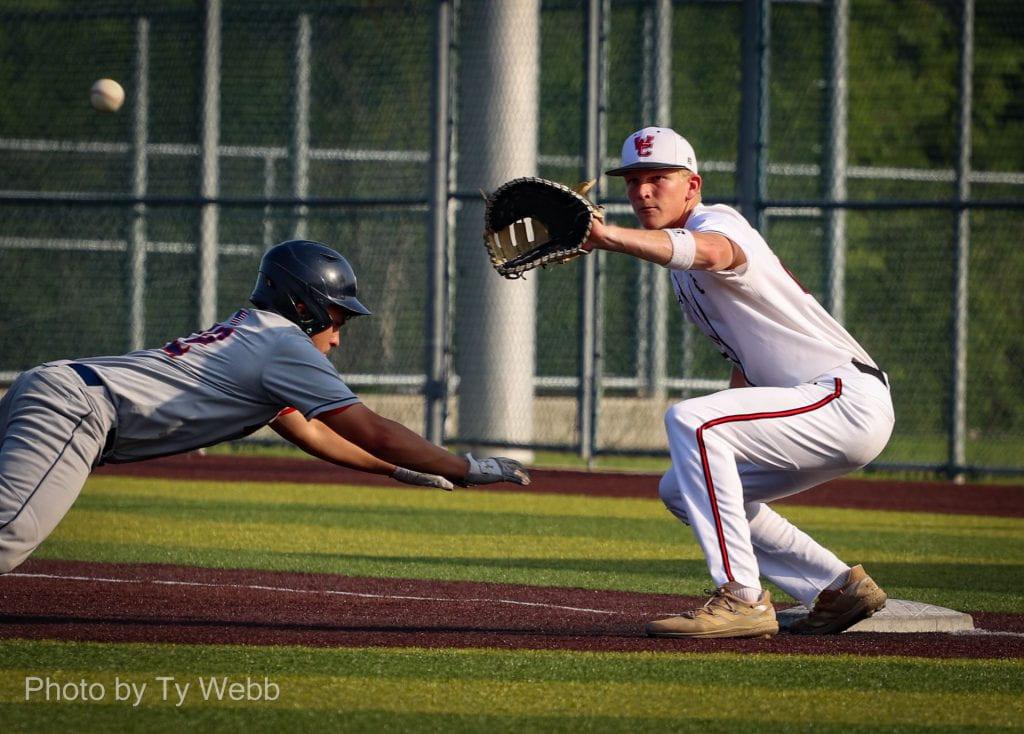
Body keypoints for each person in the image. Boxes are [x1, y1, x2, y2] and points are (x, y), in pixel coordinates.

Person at [0, 239, 530, 574]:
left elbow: (312, 434)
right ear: (305, 307)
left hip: (59, 391)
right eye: (337, 320)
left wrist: (396, 470)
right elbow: (372, 428)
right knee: (9, 539)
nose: (338, 338)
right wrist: (465, 466)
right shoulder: (284, 345)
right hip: (79, 411)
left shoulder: (255, 334)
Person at [586, 127, 894, 638]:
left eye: (657, 178)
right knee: (682, 487)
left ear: (692, 184)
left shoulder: (717, 220)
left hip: (842, 398)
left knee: (691, 420)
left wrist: (607, 237)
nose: (642, 191)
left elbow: (709, 251)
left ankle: (742, 598)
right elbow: (747, 363)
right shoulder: (679, 266)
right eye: (633, 180)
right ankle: (836, 587)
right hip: (815, 406)